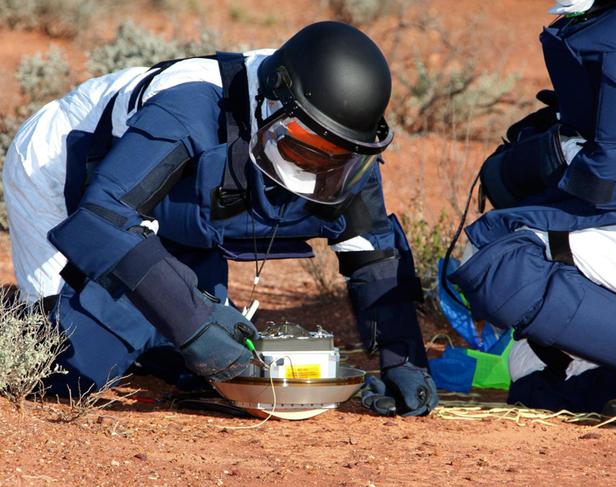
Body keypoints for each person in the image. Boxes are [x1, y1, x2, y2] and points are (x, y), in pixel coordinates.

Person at [3, 21, 437, 417]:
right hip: (67, 169)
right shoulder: (189, 104)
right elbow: (102, 217)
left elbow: (373, 254)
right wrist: (193, 323)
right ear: (271, 103)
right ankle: (19, 313)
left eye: (335, 154)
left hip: (177, 206)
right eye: (305, 145)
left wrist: (404, 359)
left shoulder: (343, 139)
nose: (317, 165)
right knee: (66, 367)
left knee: (198, 359)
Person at [449, 0, 616, 417]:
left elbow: (613, 181)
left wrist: (548, 157)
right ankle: (593, 373)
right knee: (534, 365)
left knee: (499, 261)